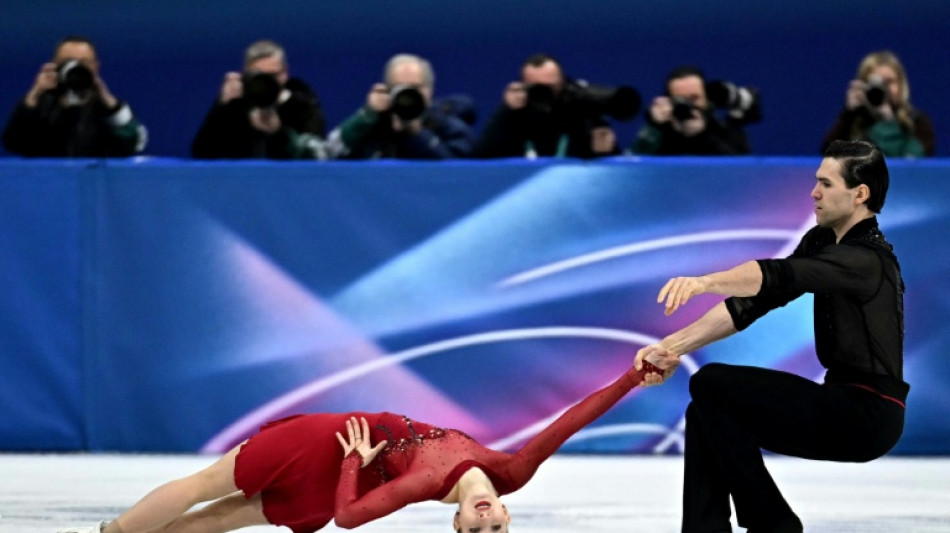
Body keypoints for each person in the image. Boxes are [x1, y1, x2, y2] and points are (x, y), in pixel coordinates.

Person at [634, 140, 907, 533]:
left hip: (867, 415)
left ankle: (774, 524)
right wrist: (667, 349)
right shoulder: (821, 243)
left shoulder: (866, 260)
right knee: (707, 410)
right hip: (838, 401)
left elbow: (773, 275)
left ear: (859, 194)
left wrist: (703, 282)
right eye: (816, 181)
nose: (814, 192)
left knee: (712, 382)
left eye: (826, 184)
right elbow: (752, 303)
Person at [57, 361, 664, 533]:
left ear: (455, 524)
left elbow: (348, 518)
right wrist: (633, 376)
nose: (484, 524)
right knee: (214, 496)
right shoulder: (512, 471)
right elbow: (570, 420)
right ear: (506, 514)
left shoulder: (427, 485)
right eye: (495, 532)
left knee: (218, 506)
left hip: (344, 450)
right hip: (349, 456)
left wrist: (354, 457)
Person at [2, 36, 147, 157]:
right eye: (67, 62)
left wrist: (108, 100)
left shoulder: (107, 108)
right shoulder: (39, 106)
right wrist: (34, 94)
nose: (75, 67)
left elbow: (135, 143)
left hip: (91, 187)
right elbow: (14, 143)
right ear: (54, 65)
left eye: (83, 63)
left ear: (95, 67)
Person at [473, 53, 640, 159]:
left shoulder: (580, 108)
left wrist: (604, 152)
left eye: (552, 86)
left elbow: (610, 164)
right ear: (524, 85)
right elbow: (481, 157)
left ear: (562, 81)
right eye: (538, 88)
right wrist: (506, 111)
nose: (546, 93)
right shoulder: (515, 114)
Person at [191, 40, 327, 159]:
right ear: (246, 76)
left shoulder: (304, 107)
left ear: (285, 73)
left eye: (273, 75)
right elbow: (202, 152)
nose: (267, 82)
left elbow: (315, 158)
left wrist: (278, 133)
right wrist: (222, 106)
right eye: (260, 77)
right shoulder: (235, 107)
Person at [324, 53, 474, 159]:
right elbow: (328, 152)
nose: (407, 95)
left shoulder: (448, 128)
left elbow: (459, 173)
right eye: (400, 88)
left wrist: (417, 134)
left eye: (415, 88)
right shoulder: (372, 126)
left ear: (430, 91)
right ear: (387, 91)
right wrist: (365, 116)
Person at [821, 50, 935, 158]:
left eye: (888, 82)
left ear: (901, 85)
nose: (883, 89)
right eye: (875, 83)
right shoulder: (853, 123)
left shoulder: (917, 122)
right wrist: (847, 114)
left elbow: (915, 161)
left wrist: (888, 122)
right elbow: (828, 157)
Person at [632, 65, 761, 155]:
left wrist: (702, 136)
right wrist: (654, 127)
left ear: (706, 99)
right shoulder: (660, 133)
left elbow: (741, 171)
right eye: (680, 99)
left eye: (694, 98)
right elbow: (631, 167)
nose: (689, 105)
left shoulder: (724, 130)